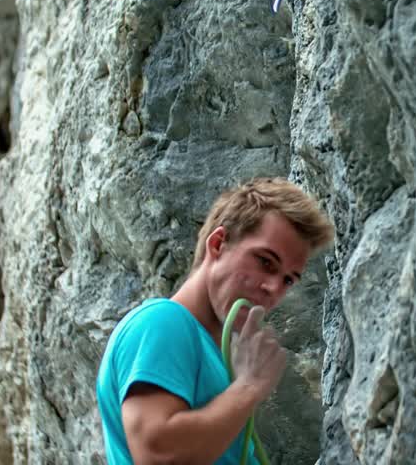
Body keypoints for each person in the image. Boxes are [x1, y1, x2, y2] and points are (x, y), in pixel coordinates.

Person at [96, 177, 334, 465]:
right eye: (265, 262)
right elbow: (158, 455)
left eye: (287, 279)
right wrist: (249, 387)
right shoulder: (163, 322)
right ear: (218, 244)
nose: (274, 288)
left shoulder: (214, 358)